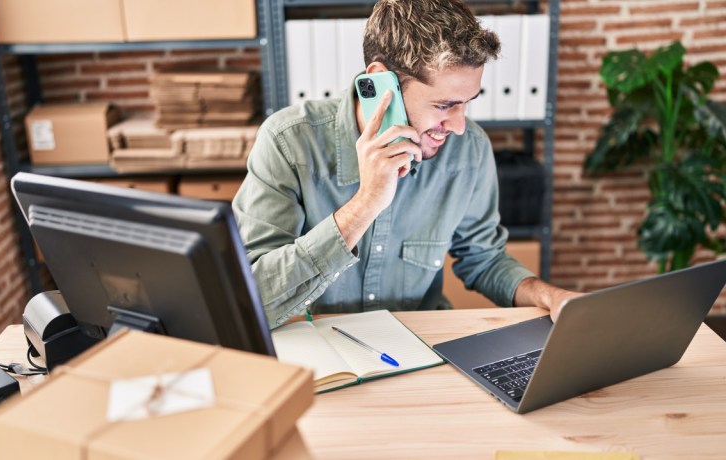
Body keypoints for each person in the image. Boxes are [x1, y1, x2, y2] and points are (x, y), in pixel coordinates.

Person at [233, 0, 580, 329]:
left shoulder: (469, 149)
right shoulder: (288, 141)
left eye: (467, 103)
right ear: (380, 83)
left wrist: (550, 296)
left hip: (419, 350)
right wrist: (365, 204)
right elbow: (252, 299)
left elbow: (484, 259)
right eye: (444, 105)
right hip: (315, 353)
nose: (459, 126)